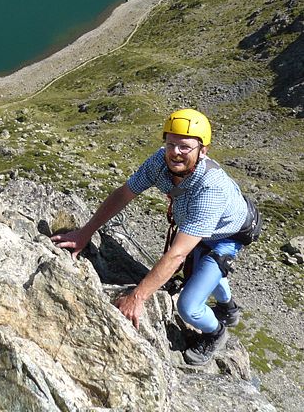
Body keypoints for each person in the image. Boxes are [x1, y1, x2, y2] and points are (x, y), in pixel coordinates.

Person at [51, 108, 249, 365]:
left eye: (185, 147)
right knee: (203, 269)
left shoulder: (211, 188)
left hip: (226, 237)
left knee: (188, 306)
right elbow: (124, 194)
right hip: (203, 228)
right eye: (171, 144)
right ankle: (229, 307)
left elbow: (178, 254)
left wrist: (137, 297)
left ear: (204, 150)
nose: (175, 152)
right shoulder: (160, 162)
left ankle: (216, 333)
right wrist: (86, 232)